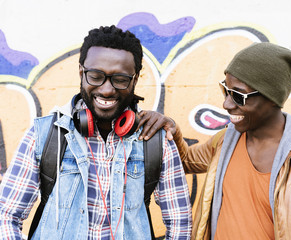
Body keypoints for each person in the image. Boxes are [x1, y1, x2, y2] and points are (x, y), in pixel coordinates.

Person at [138, 42, 291, 239]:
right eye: (225, 90)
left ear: (272, 99)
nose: (226, 104)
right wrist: (171, 129)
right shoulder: (225, 142)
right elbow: (184, 161)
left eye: (238, 96)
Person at [0, 25, 192, 239]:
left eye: (120, 79)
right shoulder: (44, 134)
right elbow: (6, 216)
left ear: (135, 79)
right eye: (96, 76)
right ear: (81, 72)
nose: (107, 89)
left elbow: (179, 223)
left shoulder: (156, 140)